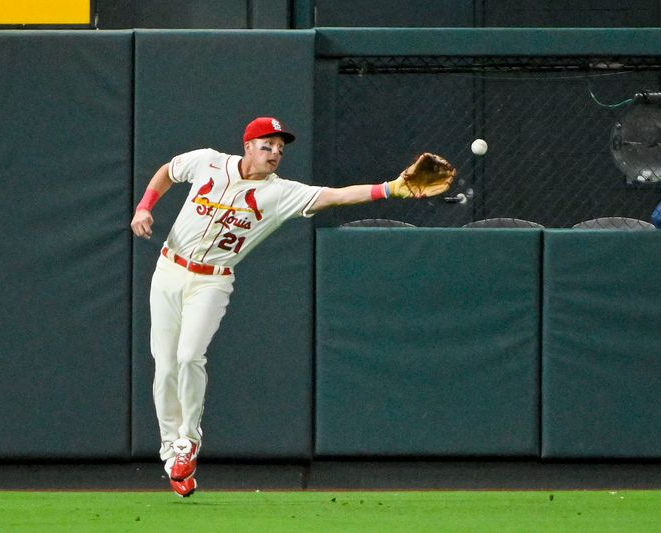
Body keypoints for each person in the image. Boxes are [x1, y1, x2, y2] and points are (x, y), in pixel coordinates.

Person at [130, 117, 443, 497]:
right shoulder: (207, 161)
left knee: (189, 356)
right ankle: (170, 453)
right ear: (247, 146)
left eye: (280, 147)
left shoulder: (282, 193)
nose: (276, 152)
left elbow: (336, 195)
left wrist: (391, 189)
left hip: (212, 280)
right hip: (169, 268)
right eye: (268, 145)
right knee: (164, 364)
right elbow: (168, 171)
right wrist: (144, 207)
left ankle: (187, 441)